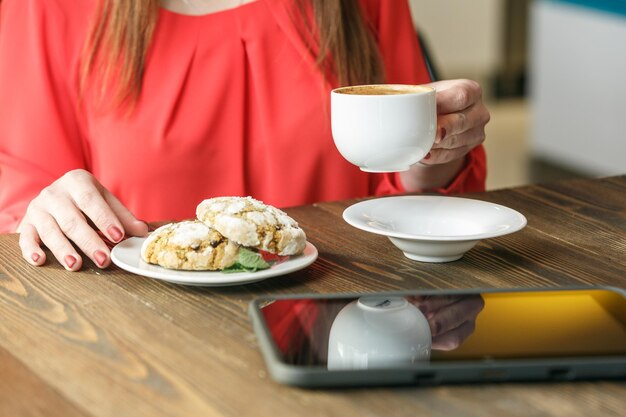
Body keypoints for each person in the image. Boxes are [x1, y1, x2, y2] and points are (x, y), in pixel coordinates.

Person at [0, 0, 489, 271]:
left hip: (344, 309)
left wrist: (437, 151)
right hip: (140, 330)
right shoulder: (46, 7)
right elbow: (29, 184)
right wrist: (49, 209)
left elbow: (406, 179)